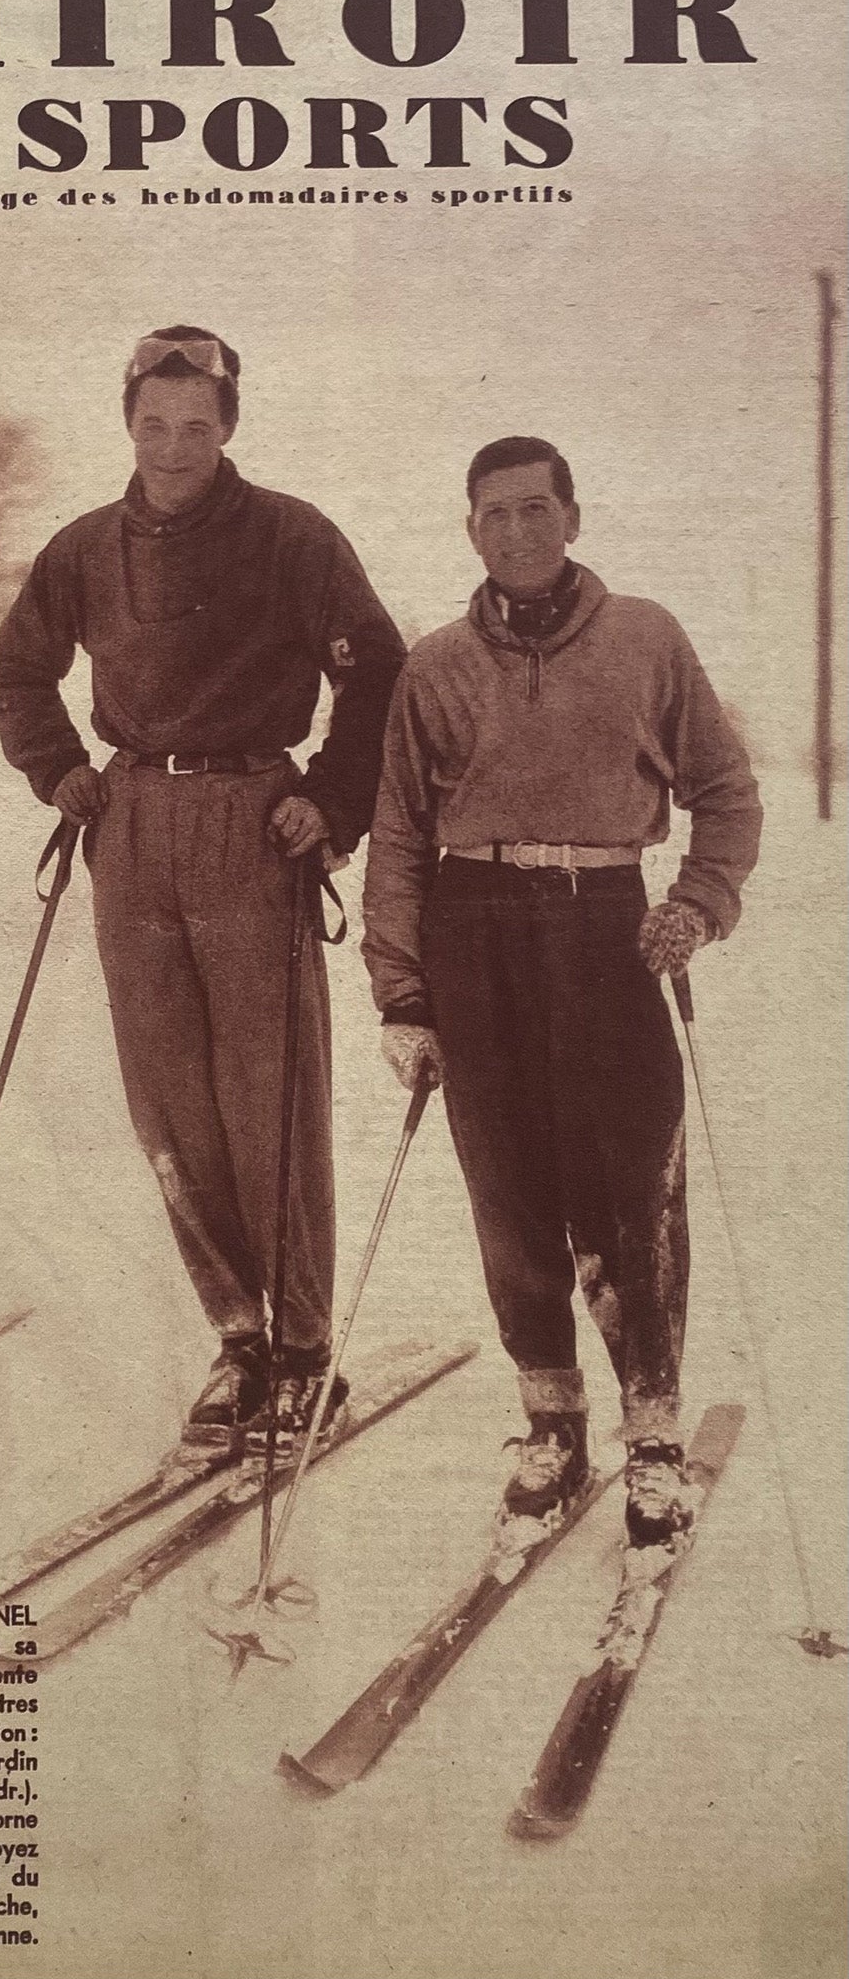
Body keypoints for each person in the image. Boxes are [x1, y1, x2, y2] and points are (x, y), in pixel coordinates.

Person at [0, 325, 406, 1454]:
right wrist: (61, 768)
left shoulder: (291, 536)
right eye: (155, 422)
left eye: (198, 425)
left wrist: (331, 797)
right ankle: (239, 1336)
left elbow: (376, 670)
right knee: (168, 1097)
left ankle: (308, 1348)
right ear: (129, 418)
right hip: (130, 823)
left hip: (251, 818)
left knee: (266, 1095)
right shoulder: (85, 548)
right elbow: (18, 667)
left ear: (229, 427)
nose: (174, 446)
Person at [361, 434, 762, 1546]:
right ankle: (550, 1418)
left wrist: (698, 902)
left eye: (537, 509)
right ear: (471, 529)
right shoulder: (435, 663)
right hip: (473, 923)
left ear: (574, 518)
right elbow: (396, 834)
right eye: (495, 513)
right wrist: (401, 992)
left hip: (603, 921)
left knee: (630, 1180)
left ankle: (653, 1430)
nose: (518, 531)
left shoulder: (645, 639)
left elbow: (726, 793)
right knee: (509, 1181)